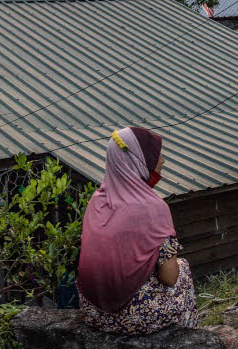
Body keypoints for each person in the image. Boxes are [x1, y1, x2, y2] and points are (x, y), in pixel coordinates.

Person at [77, 127, 199, 335]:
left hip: (93, 311)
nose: (162, 161)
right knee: (182, 269)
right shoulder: (152, 208)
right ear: (138, 160)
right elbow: (169, 277)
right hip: (134, 317)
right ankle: (189, 346)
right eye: (155, 154)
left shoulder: (97, 201)